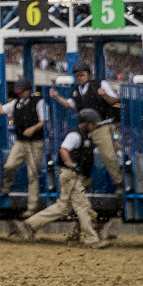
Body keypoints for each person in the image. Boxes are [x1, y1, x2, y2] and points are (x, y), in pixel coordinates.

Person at [18, 109, 109, 249]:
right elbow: (63, 150)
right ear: (86, 123)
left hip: (72, 175)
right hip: (70, 175)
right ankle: (91, 240)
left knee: (63, 207)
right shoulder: (75, 135)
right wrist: (71, 165)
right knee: (82, 206)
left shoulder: (84, 135)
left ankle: (31, 224)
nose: (95, 126)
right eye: (93, 123)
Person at [49, 60, 124, 195]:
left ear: (88, 74)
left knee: (108, 156)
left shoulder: (100, 84)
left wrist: (104, 94)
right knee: (82, 156)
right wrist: (57, 97)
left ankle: (119, 183)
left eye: (82, 75)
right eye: (77, 75)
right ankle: (86, 181)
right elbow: (69, 104)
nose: (79, 77)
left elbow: (114, 100)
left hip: (101, 126)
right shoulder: (75, 90)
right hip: (85, 128)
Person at [0, 78, 46, 217]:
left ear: (28, 91)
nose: (19, 94)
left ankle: (32, 207)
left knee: (33, 175)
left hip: (36, 143)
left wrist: (32, 128)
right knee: (9, 166)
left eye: (21, 92)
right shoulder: (16, 103)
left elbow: (43, 121)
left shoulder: (39, 102)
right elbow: (1, 110)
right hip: (21, 142)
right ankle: (7, 186)